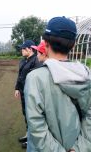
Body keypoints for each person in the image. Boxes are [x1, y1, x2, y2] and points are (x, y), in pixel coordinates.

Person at [24, 16, 91, 152]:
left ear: (46, 43)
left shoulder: (35, 78)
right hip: (77, 146)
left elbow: (36, 126)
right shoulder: (86, 74)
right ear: (72, 45)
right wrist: (80, 148)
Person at [14, 40, 41, 148]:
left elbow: (37, 79)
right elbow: (20, 76)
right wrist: (17, 88)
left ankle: (33, 140)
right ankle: (28, 134)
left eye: (23, 48)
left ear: (30, 49)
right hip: (23, 92)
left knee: (32, 116)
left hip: (31, 93)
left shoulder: (36, 61)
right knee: (26, 114)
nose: (21, 50)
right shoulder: (23, 61)